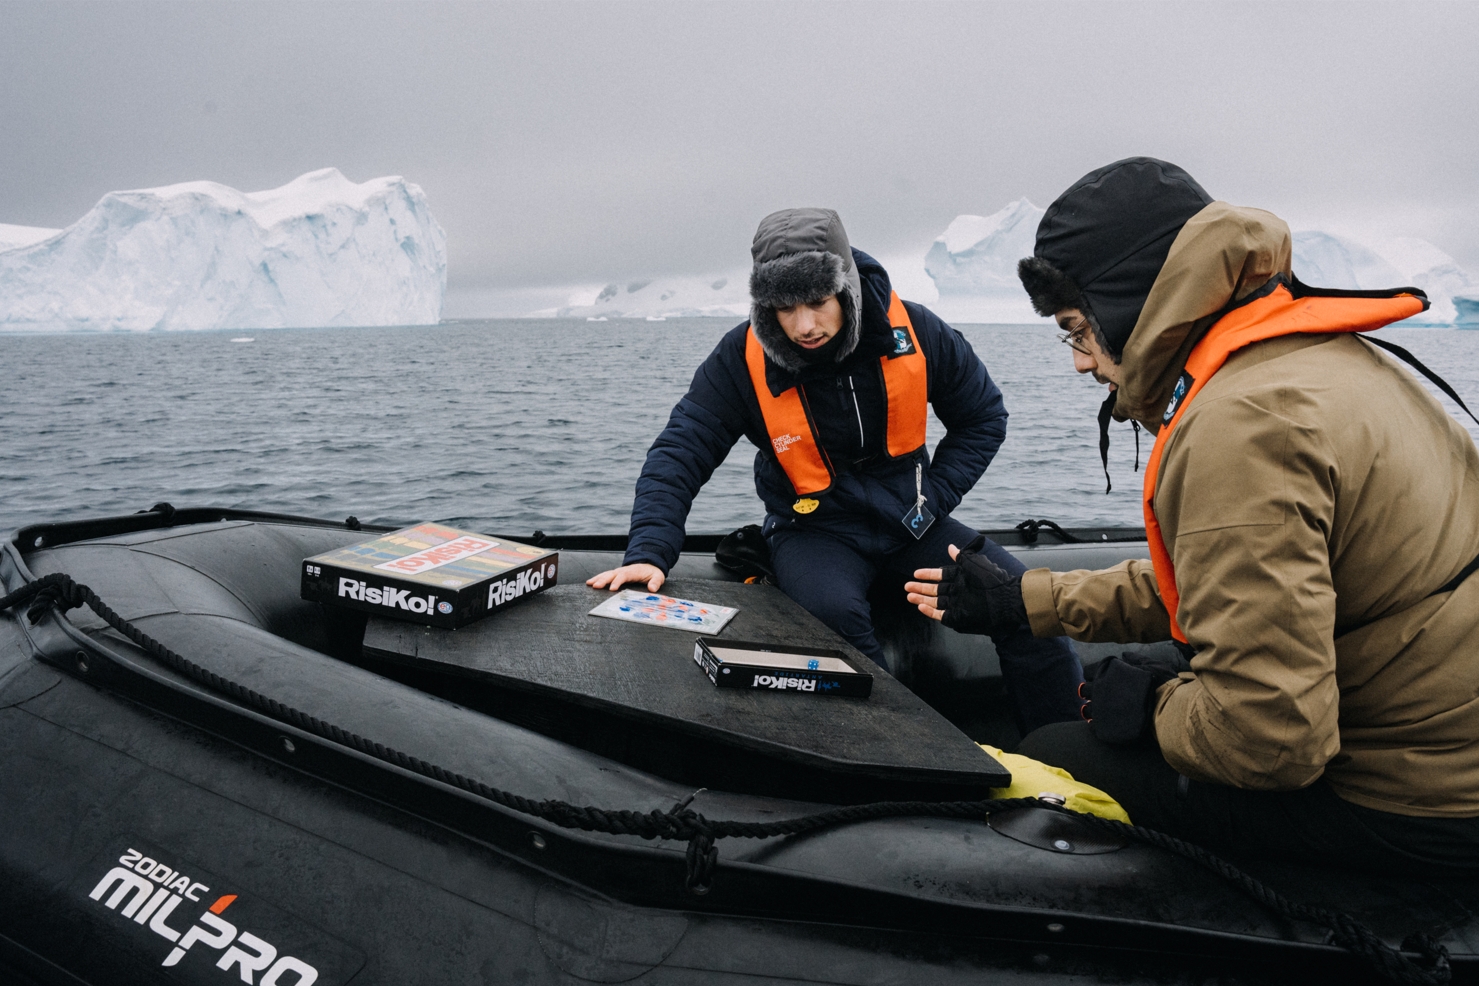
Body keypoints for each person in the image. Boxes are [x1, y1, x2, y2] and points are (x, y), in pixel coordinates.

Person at [906, 157, 1479, 871]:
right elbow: (1226, 576)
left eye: (1077, 329)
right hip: (1447, 747)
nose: (1080, 362)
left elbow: (1271, 743)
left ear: (1131, 303)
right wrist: (1024, 599)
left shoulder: (1240, 426)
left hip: (1407, 803)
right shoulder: (1329, 359)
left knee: (1049, 752)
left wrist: (1153, 705)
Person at [589, 207, 1084, 733]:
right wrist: (648, 551)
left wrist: (932, 498)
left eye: (818, 302)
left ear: (845, 287)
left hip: (913, 525)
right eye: (783, 307)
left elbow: (983, 417)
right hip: (814, 534)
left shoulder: (915, 329)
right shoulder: (740, 358)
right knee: (836, 629)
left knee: (1027, 606)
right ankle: (909, 760)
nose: (804, 325)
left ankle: (1064, 763)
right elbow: (678, 454)